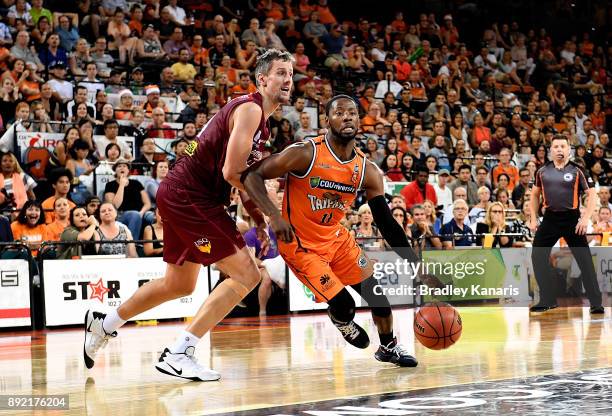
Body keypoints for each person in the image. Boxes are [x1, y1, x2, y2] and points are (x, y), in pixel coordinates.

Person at [84, 49, 295, 381]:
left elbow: (243, 178)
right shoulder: (251, 109)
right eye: (280, 72)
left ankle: (104, 324)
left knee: (178, 283)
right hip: (191, 197)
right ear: (262, 79)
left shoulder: (260, 124)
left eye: (291, 74)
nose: (287, 79)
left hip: (184, 195)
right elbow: (231, 171)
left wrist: (258, 221)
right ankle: (180, 351)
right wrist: (273, 214)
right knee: (247, 275)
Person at [244, 95, 419, 367]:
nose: (347, 117)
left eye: (352, 113)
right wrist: (274, 215)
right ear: (327, 121)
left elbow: (386, 222)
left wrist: (416, 264)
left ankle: (388, 347)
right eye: (339, 113)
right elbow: (252, 176)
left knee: (379, 298)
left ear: (360, 121)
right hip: (300, 244)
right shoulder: (304, 153)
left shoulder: (367, 170)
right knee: (345, 305)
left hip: (336, 239)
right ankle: (341, 319)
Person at [529, 135, 604, 313]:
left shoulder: (578, 170)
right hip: (549, 220)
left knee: (584, 261)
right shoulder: (541, 171)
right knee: (537, 256)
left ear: (568, 149)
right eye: (556, 146)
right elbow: (534, 195)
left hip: (572, 220)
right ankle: (547, 299)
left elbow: (592, 194)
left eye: (563, 146)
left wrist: (585, 218)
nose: (559, 149)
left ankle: (596, 303)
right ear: (551, 150)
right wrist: (533, 217)